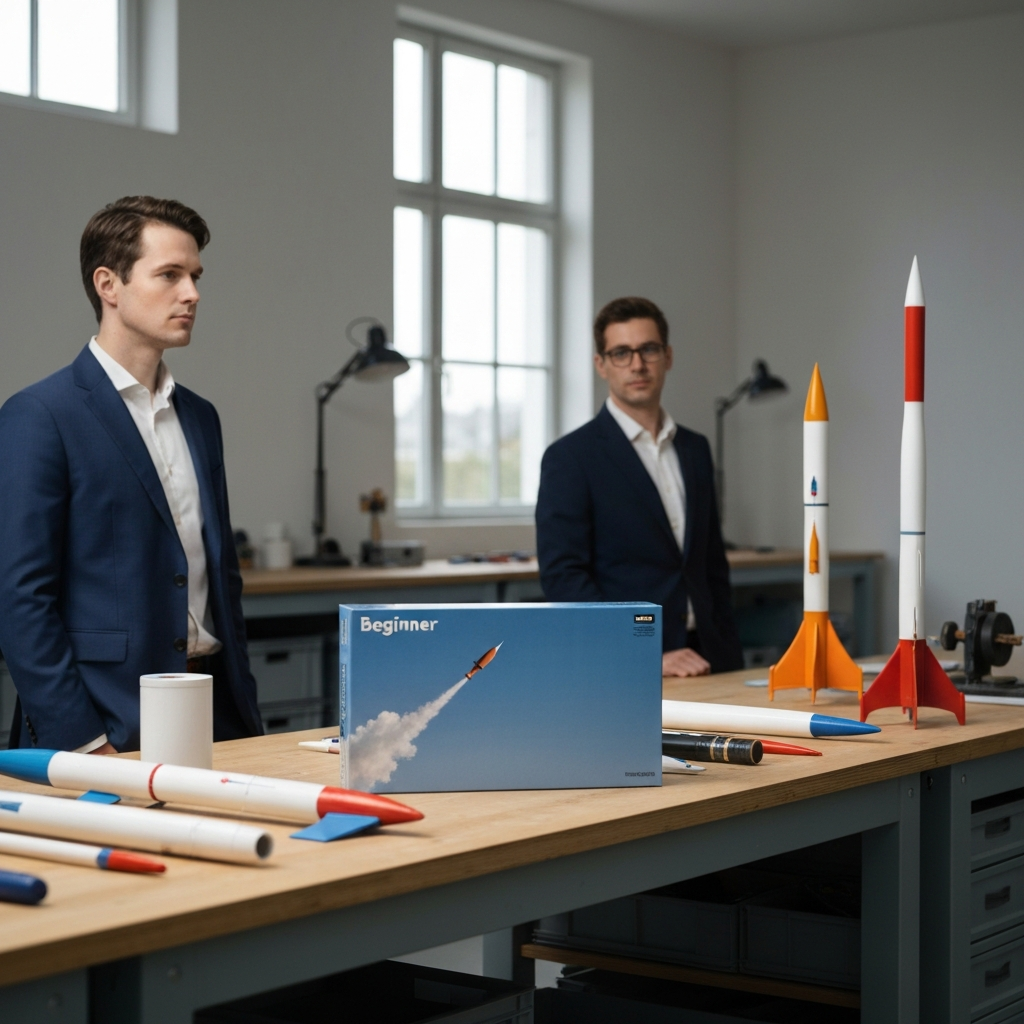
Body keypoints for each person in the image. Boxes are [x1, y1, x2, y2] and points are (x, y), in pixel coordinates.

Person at [0, 196, 262, 752]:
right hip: (105, 725)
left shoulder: (200, 416)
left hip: (218, 716)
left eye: (194, 276)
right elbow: (19, 599)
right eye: (169, 274)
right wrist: (85, 743)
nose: (191, 294)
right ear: (108, 285)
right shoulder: (40, 416)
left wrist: (244, 712)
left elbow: (222, 582)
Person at [535, 296, 743, 677]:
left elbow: (713, 564)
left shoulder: (695, 449)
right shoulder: (570, 458)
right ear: (601, 364)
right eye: (621, 353)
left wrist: (730, 651)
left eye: (648, 349)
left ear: (668, 356)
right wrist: (643, 653)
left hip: (712, 658)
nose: (637, 364)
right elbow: (564, 579)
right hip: (631, 665)